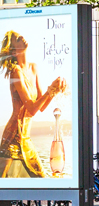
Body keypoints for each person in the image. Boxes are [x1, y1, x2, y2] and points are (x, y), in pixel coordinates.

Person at [0, 31, 67, 177]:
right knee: (2, 181)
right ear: (13, 50)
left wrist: (55, 89)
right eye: (17, 38)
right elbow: (31, 109)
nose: (22, 37)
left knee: (41, 178)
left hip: (26, 138)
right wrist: (51, 89)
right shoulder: (16, 72)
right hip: (12, 136)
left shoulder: (33, 68)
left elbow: (41, 106)